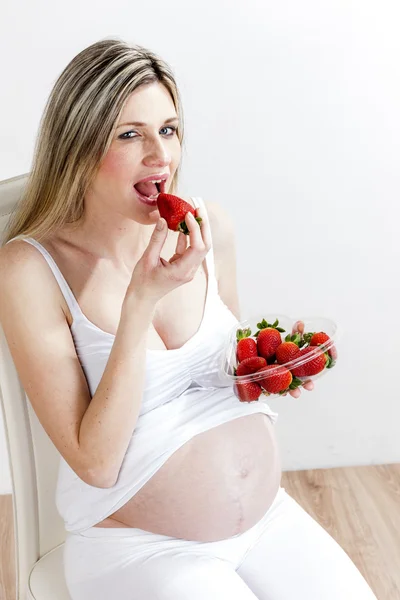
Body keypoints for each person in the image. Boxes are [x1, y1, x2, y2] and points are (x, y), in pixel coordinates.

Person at [0, 38, 377, 600]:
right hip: (137, 549)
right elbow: (96, 464)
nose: (161, 156)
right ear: (78, 145)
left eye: (169, 130)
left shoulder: (207, 230)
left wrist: (273, 365)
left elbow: (229, 372)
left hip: (266, 521)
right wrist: (140, 302)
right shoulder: (30, 270)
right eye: (130, 134)